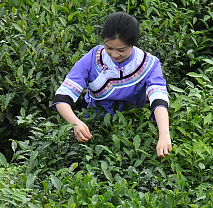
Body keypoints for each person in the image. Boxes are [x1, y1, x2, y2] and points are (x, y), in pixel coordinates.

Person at [53, 11, 172, 157]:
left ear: (133, 44)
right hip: (93, 125)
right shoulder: (93, 57)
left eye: (122, 50)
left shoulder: (149, 64)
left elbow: (158, 98)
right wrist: (75, 123)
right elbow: (62, 96)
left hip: (132, 128)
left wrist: (164, 134)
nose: (115, 55)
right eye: (109, 48)